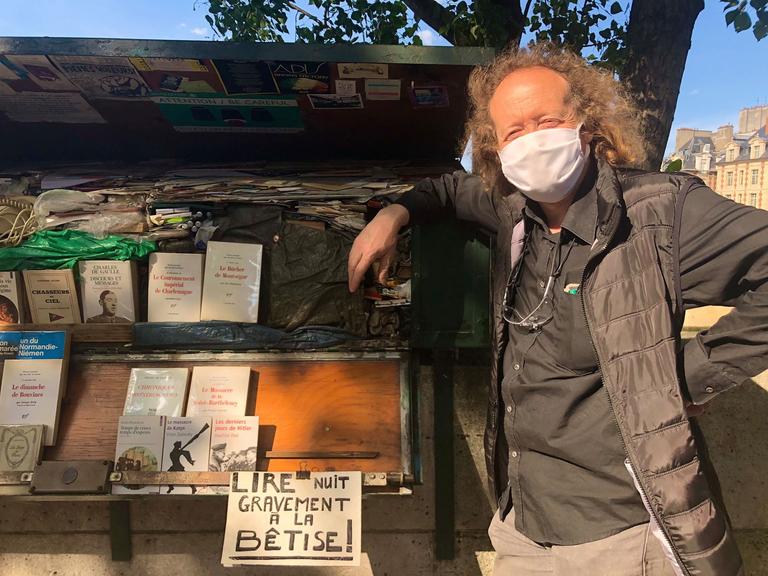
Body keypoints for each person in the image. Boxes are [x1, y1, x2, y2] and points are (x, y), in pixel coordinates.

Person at [347, 44, 767, 576]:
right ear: (496, 148)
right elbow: (448, 190)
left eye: (547, 121)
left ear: (586, 125)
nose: (532, 140)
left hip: (623, 533)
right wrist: (393, 215)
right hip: (523, 527)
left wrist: (689, 375)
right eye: (513, 131)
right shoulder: (512, 210)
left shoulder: (661, 215)